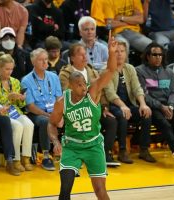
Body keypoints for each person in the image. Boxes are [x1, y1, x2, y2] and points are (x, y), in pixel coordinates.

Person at [47, 31, 117, 200]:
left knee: (100, 190)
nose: (83, 87)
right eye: (79, 85)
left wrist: (112, 52)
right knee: (65, 189)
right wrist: (56, 141)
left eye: (84, 84)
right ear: (70, 86)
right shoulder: (63, 102)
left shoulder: (92, 92)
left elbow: (111, 69)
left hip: (93, 145)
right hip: (72, 146)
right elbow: (51, 124)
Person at [59, 42, 120, 167]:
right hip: (75, 111)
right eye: (81, 55)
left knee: (112, 121)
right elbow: (68, 94)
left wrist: (104, 107)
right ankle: (78, 155)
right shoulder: (65, 73)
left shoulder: (91, 70)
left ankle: (104, 154)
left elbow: (101, 89)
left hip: (94, 108)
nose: (85, 57)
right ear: (72, 58)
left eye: (85, 54)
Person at [136, 42, 174, 167]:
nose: (158, 57)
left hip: (169, 105)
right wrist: (161, 107)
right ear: (148, 56)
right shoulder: (140, 71)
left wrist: (170, 106)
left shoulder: (168, 72)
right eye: (154, 55)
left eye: (160, 55)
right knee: (165, 124)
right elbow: (143, 95)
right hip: (154, 107)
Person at [104, 40, 155, 164]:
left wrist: (143, 104)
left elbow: (137, 88)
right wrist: (122, 106)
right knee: (122, 116)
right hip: (114, 105)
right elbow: (110, 93)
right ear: (111, 54)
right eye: (116, 51)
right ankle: (122, 150)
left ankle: (144, 149)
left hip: (130, 104)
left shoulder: (130, 68)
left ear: (126, 54)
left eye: (122, 51)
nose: (119, 54)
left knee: (146, 114)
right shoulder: (107, 70)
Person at [0, 52, 34, 173]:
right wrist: (9, 97)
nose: (9, 72)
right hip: (2, 114)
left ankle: (26, 158)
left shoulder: (15, 81)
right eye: (7, 69)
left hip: (15, 111)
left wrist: (21, 99)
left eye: (11, 69)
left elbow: (21, 105)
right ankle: (15, 159)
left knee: (29, 124)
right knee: (18, 126)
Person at [21, 48, 62, 171]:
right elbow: (31, 106)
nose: (45, 63)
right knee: (45, 121)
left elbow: (59, 98)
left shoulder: (53, 76)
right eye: (41, 60)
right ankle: (45, 156)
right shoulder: (26, 80)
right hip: (37, 113)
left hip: (54, 111)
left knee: (73, 115)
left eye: (46, 59)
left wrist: (60, 114)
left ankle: (73, 153)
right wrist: (48, 115)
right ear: (33, 62)